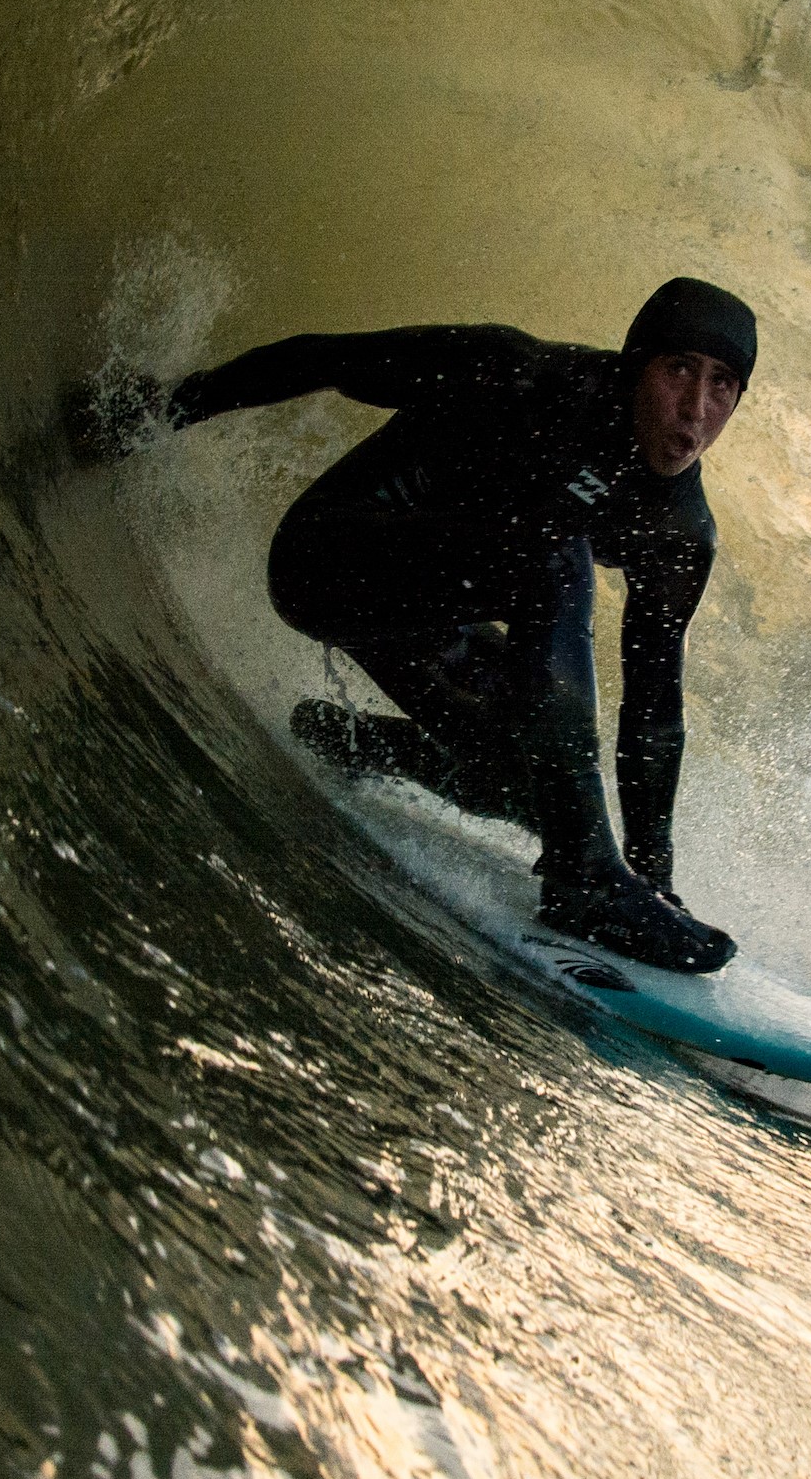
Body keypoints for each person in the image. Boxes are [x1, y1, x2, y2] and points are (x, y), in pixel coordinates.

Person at [75, 277, 755, 973]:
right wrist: (161, 408)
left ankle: (353, 741)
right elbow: (328, 359)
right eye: (678, 370)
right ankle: (584, 881)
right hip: (328, 560)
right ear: (635, 361)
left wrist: (655, 881)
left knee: (541, 785)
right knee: (557, 551)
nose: (696, 410)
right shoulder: (524, 377)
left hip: (429, 625)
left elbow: (652, 713)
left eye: (723, 384)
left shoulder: (677, 531)